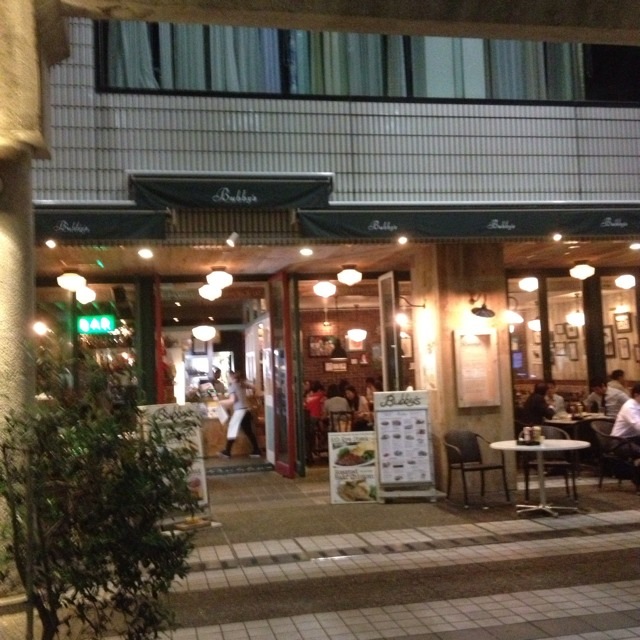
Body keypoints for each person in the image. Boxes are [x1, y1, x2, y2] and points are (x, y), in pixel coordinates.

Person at [218, 370, 261, 458]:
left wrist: (221, 402)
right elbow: (254, 387)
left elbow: (232, 400)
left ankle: (227, 451)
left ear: (231, 377)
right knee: (249, 432)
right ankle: (257, 450)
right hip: (247, 410)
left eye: (228, 377)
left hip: (239, 411)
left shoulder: (232, 387)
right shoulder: (242, 384)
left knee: (232, 429)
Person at [611, 383, 640, 464]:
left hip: (634, 438)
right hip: (620, 442)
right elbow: (638, 426)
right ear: (636, 395)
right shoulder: (629, 407)